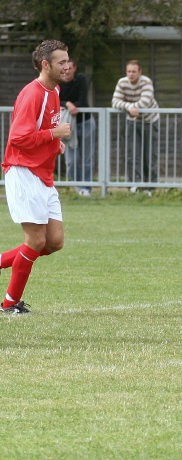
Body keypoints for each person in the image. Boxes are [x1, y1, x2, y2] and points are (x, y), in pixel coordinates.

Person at [0, 39, 71, 315]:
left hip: (43, 174)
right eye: (61, 62)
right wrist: (53, 135)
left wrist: (54, 143)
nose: (67, 66)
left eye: (67, 60)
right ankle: (9, 304)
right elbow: (18, 138)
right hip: (23, 172)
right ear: (46, 64)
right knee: (36, 241)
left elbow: (40, 130)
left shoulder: (54, 91)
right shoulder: (33, 94)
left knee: (54, 242)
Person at [111, 59, 159, 194]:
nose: (131, 74)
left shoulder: (146, 82)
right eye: (128, 71)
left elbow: (145, 101)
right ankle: (134, 185)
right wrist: (129, 107)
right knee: (133, 154)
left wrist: (132, 107)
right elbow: (115, 101)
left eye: (134, 72)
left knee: (150, 155)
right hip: (132, 120)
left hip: (150, 120)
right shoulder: (122, 82)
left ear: (140, 72)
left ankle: (150, 188)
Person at [60, 57, 96, 196]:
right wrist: (68, 104)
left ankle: (86, 188)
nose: (67, 71)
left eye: (69, 68)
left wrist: (70, 105)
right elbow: (54, 99)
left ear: (74, 68)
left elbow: (82, 100)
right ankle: (79, 186)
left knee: (87, 158)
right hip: (68, 125)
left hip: (85, 122)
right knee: (71, 161)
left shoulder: (81, 79)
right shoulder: (58, 83)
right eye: (64, 69)